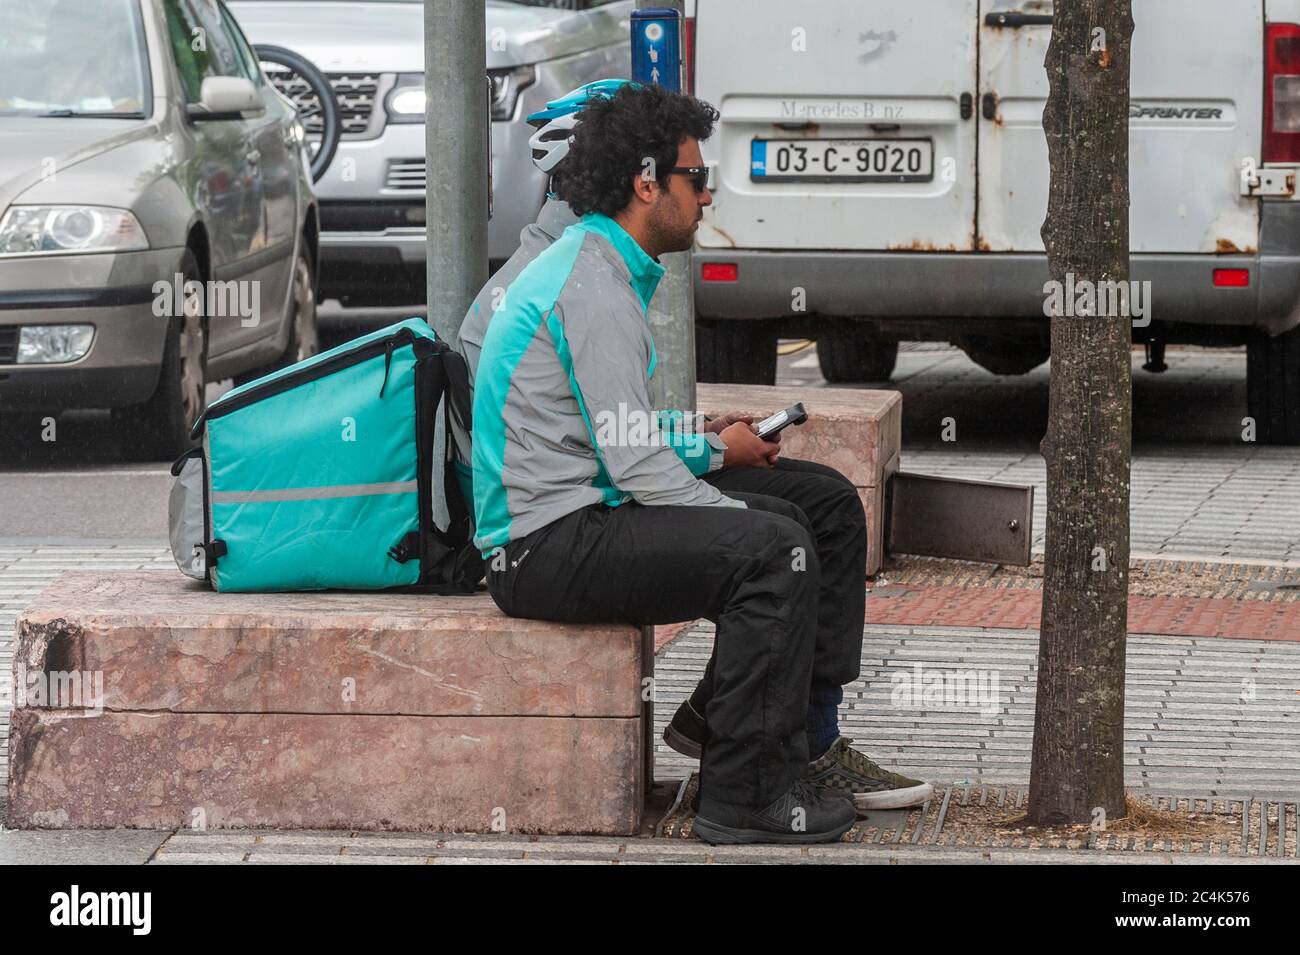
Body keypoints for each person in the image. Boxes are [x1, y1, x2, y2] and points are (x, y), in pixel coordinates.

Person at [467, 84, 932, 843]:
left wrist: (709, 440)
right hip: (542, 546)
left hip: (586, 507)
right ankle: (743, 793)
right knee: (776, 548)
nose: (707, 192)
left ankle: (775, 733)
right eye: (694, 177)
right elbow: (634, 466)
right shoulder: (590, 286)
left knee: (820, 506)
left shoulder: (600, 266)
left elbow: (612, 429)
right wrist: (737, 512)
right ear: (645, 182)